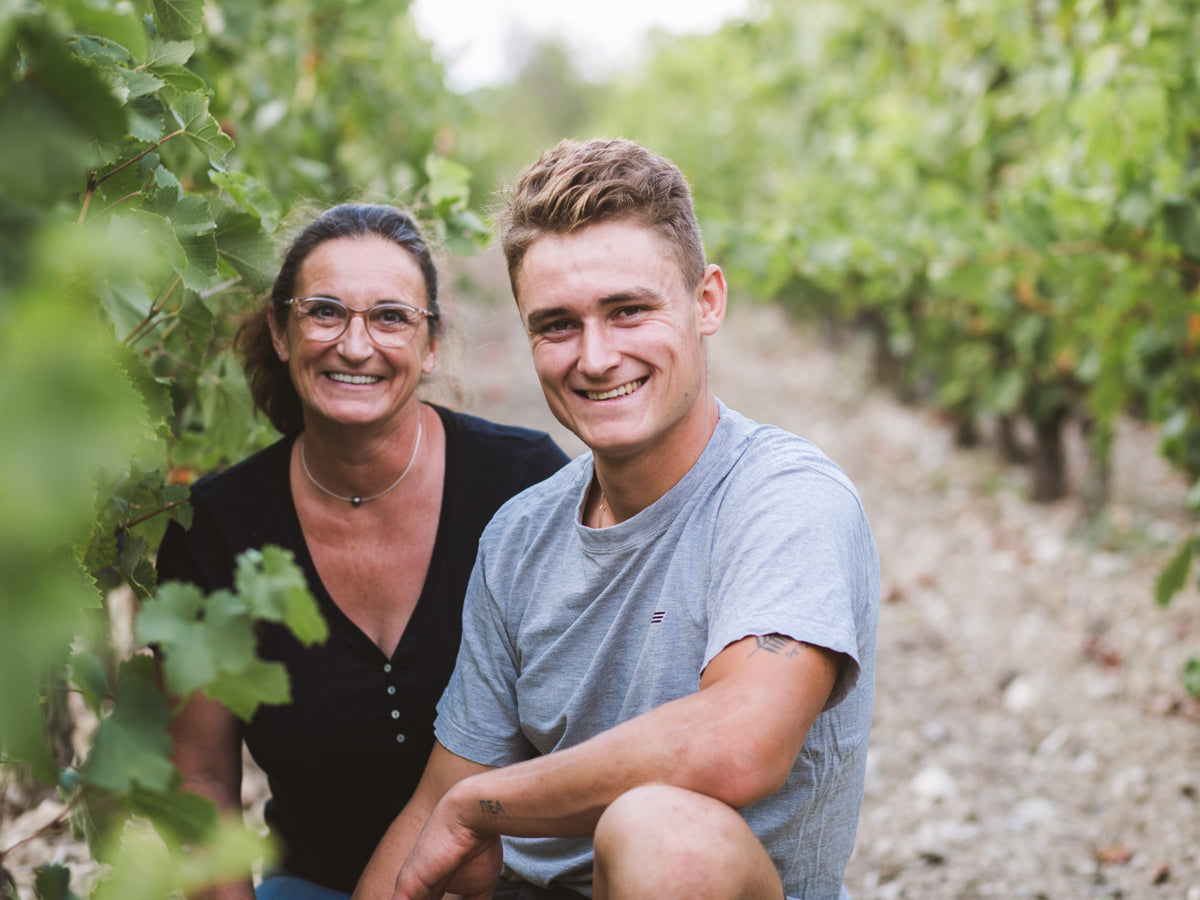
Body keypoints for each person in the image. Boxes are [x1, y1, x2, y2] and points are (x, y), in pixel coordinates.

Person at [354, 139, 879, 900]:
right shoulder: (520, 535)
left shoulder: (785, 498)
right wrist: (462, 809)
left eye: (628, 311)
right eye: (557, 324)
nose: (596, 357)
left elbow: (739, 744)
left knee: (663, 833)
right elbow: (439, 801)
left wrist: (484, 808)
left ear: (707, 302)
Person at [155, 203, 570, 900]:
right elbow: (199, 780)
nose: (355, 345)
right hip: (319, 886)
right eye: (324, 312)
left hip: (509, 885)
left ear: (431, 343)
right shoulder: (217, 530)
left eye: (389, 317)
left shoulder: (524, 486)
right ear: (282, 333)